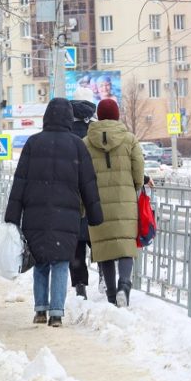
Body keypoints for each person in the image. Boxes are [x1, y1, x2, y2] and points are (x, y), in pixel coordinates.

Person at [5, 97, 103, 327]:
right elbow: (88, 183)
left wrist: (12, 216)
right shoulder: (77, 145)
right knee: (60, 262)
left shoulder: (33, 143)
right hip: (66, 214)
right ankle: (56, 313)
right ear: (69, 118)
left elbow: (20, 182)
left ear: (46, 116)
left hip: (35, 214)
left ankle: (40, 309)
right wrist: (95, 215)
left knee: (40, 261)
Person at [83, 98, 145, 308]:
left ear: (98, 116)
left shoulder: (86, 142)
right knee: (126, 245)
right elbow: (138, 169)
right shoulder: (129, 139)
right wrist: (136, 185)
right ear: (117, 115)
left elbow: (81, 173)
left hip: (96, 203)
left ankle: (111, 294)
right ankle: (124, 285)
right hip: (124, 200)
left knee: (105, 248)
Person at [68, 92, 97, 299]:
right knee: (98, 239)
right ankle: (106, 278)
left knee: (76, 242)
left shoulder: (65, 130)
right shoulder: (94, 130)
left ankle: (80, 286)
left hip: (70, 194)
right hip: (95, 191)